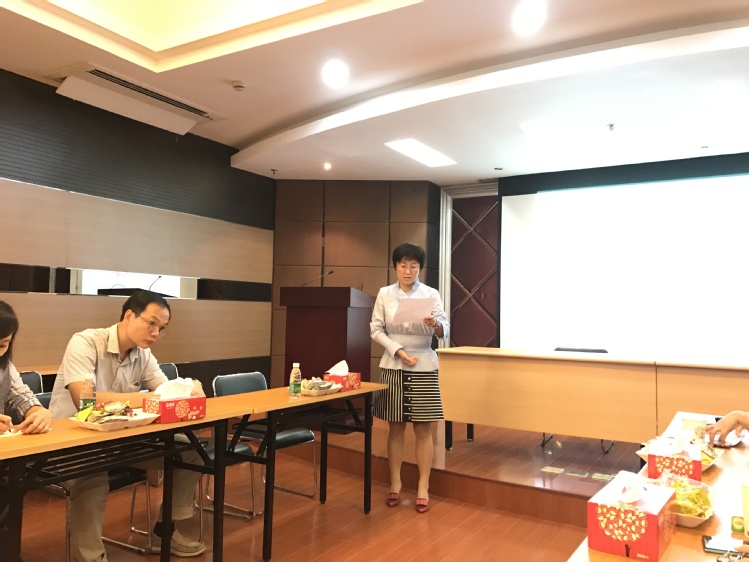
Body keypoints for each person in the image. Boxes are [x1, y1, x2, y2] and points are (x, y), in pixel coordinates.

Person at [49, 290, 206, 561]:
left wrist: (189, 388)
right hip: (73, 443)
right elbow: (86, 402)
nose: (156, 333)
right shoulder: (85, 342)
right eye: (152, 323)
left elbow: (165, 391)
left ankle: (163, 533)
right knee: (92, 479)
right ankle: (91, 558)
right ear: (129, 315)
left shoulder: (143, 354)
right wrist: (147, 398)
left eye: (162, 328)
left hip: (120, 440)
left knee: (190, 452)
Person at [370, 242, 449, 514]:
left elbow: (445, 329)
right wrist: (398, 350)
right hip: (394, 363)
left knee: (424, 429)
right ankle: (395, 483)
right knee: (395, 427)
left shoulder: (430, 293)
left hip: (424, 364)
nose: (407, 271)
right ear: (395, 267)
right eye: (402, 265)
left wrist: (435, 325)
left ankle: (423, 486)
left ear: (419, 269)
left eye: (413, 266)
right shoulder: (385, 293)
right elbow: (375, 329)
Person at [0, 300, 53, 526]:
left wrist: (37, 411)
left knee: (9, 496)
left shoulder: (4, 365)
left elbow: (19, 394)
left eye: (3, 345)